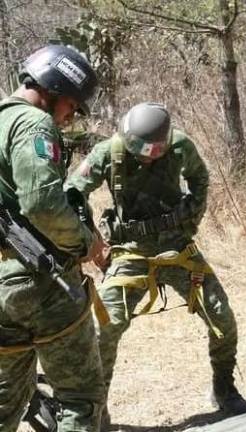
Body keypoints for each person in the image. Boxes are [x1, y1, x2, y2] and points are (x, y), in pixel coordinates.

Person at [65, 102, 246, 426]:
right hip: (129, 253)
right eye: (139, 150)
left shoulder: (180, 146)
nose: (145, 156)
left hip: (176, 248)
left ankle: (225, 389)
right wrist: (90, 237)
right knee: (103, 328)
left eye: (153, 151)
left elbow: (200, 180)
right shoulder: (110, 151)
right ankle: (96, 411)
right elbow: (73, 192)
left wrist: (190, 221)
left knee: (221, 315)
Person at [0, 45, 105, 431]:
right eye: (73, 107)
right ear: (56, 90)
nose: (69, 118)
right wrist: (86, 243)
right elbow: (43, 204)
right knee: (79, 400)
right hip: (40, 284)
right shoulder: (32, 124)